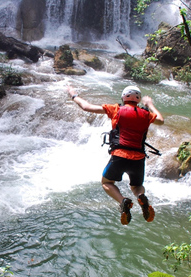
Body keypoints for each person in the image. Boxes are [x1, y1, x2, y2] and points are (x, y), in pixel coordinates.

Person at [67, 85, 164, 225]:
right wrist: (150, 104)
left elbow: (86, 107)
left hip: (119, 156)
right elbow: (161, 121)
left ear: (124, 97)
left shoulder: (116, 109)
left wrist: (74, 95)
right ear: (138, 99)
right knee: (137, 186)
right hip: (138, 159)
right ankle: (141, 196)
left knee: (106, 182)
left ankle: (123, 201)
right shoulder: (146, 114)